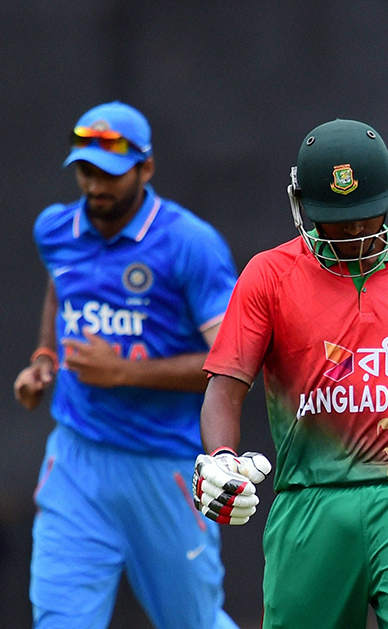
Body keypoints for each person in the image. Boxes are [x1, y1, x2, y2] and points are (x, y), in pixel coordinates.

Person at [193, 119, 388, 629]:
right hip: (310, 501)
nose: (353, 231)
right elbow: (224, 386)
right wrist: (219, 458)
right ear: (301, 206)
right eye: (335, 219)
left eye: (366, 216)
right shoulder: (269, 274)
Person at [13, 101, 240, 628]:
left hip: (165, 465)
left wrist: (124, 373)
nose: (95, 187)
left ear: (146, 168)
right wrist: (45, 357)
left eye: (110, 174)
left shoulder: (190, 244)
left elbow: (230, 360)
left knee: (195, 622)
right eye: (86, 172)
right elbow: (60, 286)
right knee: (60, 619)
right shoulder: (56, 229)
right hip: (75, 459)